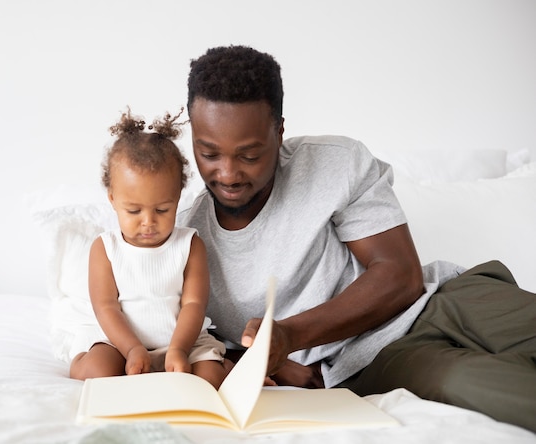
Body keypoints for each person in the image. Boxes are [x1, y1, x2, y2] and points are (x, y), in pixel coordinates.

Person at [177, 44, 536, 431]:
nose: (228, 174)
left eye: (249, 155)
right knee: (502, 391)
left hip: (450, 297)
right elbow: (204, 347)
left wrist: (289, 336)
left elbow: (400, 275)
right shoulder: (184, 243)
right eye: (209, 153)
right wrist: (274, 369)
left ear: (279, 132)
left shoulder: (334, 162)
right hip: (374, 357)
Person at [69, 108, 227, 389]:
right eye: (133, 211)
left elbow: (193, 305)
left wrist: (178, 349)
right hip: (121, 342)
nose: (148, 222)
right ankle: (80, 357)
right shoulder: (105, 248)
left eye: (162, 209)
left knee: (210, 380)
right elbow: (106, 307)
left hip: (182, 339)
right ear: (113, 199)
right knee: (98, 371)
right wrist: (131, 349)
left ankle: (228, 365)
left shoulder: (190, 246)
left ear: (178, 198)